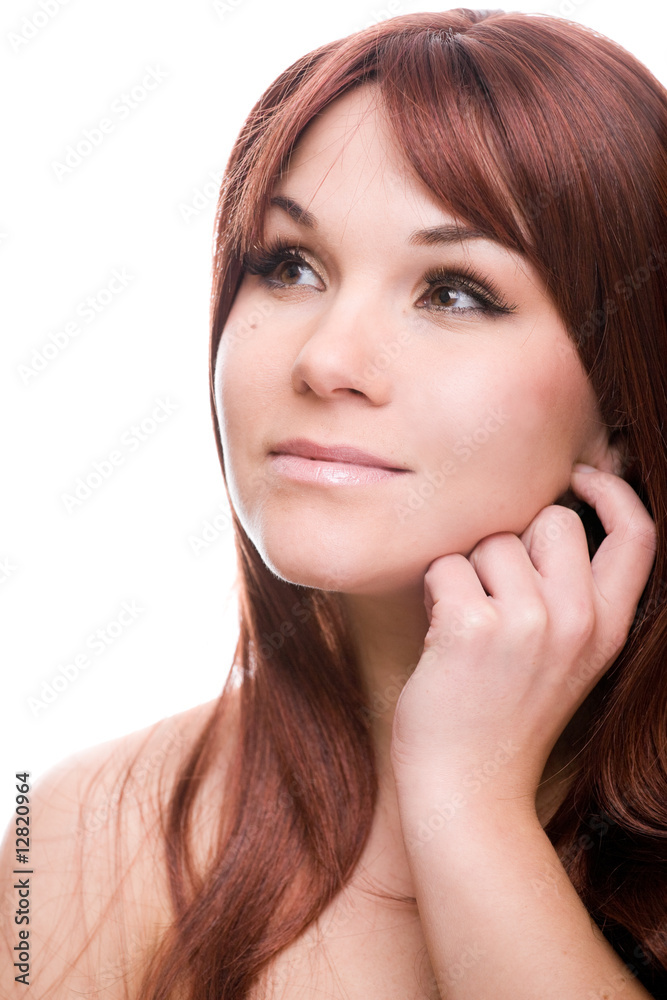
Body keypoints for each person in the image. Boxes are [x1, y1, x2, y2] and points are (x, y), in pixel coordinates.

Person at [2, 8, 666, 998]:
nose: (324, 358)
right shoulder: (75, 831)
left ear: (620, 398)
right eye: (289, 266)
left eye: (452, 290)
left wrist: (466, 803)